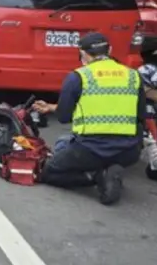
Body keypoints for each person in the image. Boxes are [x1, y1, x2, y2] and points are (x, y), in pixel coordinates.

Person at [32, 32, 144, 205]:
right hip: (128, 151)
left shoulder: (79, 76)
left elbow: (64, 117)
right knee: (64, 141)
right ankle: (109, 168)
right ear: (110, 50)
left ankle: (95, 176)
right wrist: (52, 106)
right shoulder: (133, 76)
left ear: (83, 54)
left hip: (90, 150)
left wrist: (56, 108)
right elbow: (139, 115)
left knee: (47, 171)